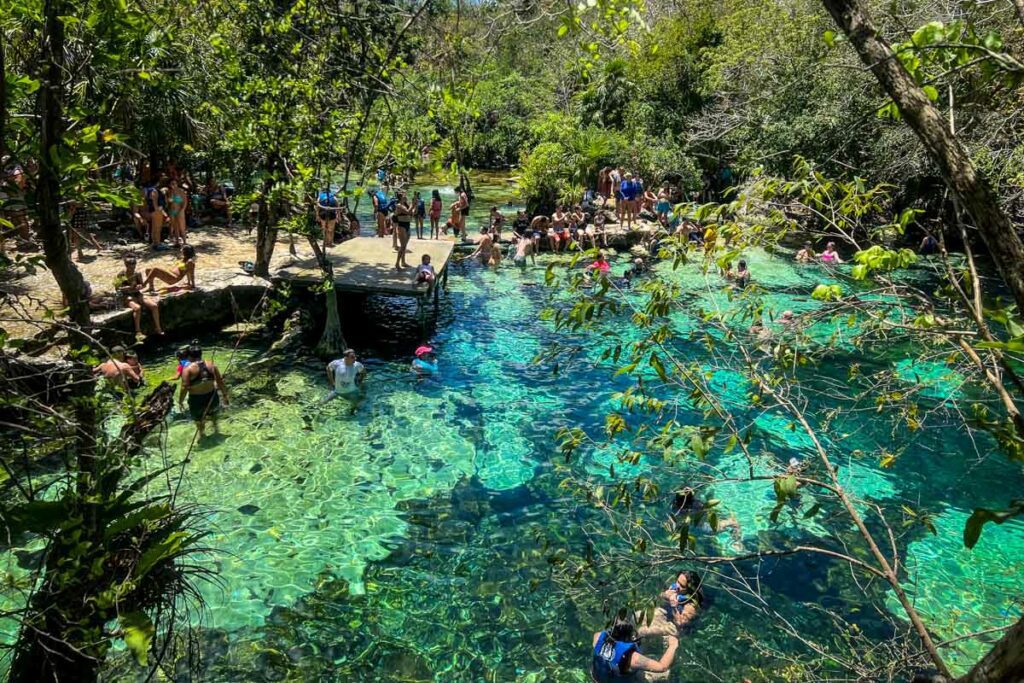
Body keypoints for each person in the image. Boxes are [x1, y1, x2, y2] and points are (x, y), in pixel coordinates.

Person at [592, 615, 678, 682]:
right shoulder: (633, 658)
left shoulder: (598, 637)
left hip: (598, 678)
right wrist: (672, 646)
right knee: (666, 675)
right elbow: (662, 667)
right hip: (623, 680)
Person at [178, 341, 229, 438]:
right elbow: (220, 382)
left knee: (199, 420)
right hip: (212, 397)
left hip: (197, 400)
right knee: (214, 415)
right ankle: (216, 431)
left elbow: (184, 387)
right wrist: (225, 396)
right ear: (201, 354)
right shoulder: (211, 365)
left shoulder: (187, 369)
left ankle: (202, 435)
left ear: (189, 357)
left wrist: (180, 401)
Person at [115, 256, 164, 337]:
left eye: (134, 266)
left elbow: (142, 285)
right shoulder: (121, 275)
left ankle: (158, 328)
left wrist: (139, 286)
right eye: (131, 267)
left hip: (137, 293)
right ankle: (138, 331)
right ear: (126, 266)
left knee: (154, 306)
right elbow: (116, 288)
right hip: (127, 295)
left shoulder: (137, 274)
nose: (133, 269)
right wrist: (127, 288)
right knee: (137, 308)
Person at [144, 180, 167, 248]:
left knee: (154, 227)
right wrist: (158, 211)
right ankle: (158, 243)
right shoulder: (154, 191)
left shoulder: (150, 191)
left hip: (153, 211)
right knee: (158, 228)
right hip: (157, 211)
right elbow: (155, 203)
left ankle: (154, 242)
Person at [393, 191, 413, 269]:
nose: (406, 196)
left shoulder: (406, 205)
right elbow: (407, 212)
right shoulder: (398, 205)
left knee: (404, 246)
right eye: (404, 195)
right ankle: (397, 263)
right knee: (403, 246)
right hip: (401, 226)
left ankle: (403, 262)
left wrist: (415, 205)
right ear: (400, 197)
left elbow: (412, 213)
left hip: (408, 225)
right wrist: (412, 204)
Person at [166, 178, 188, 246]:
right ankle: (177, 242)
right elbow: (169, 201)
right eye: (172, 184)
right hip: (172, 211)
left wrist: (182, 210)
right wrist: (171, 194)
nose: (173, 185)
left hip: (180, 210)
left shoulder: (181, 191)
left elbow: (185, 201)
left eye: (175, 183)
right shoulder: (169, 192)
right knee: (175, 227)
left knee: (182, 226)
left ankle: (184, 242)